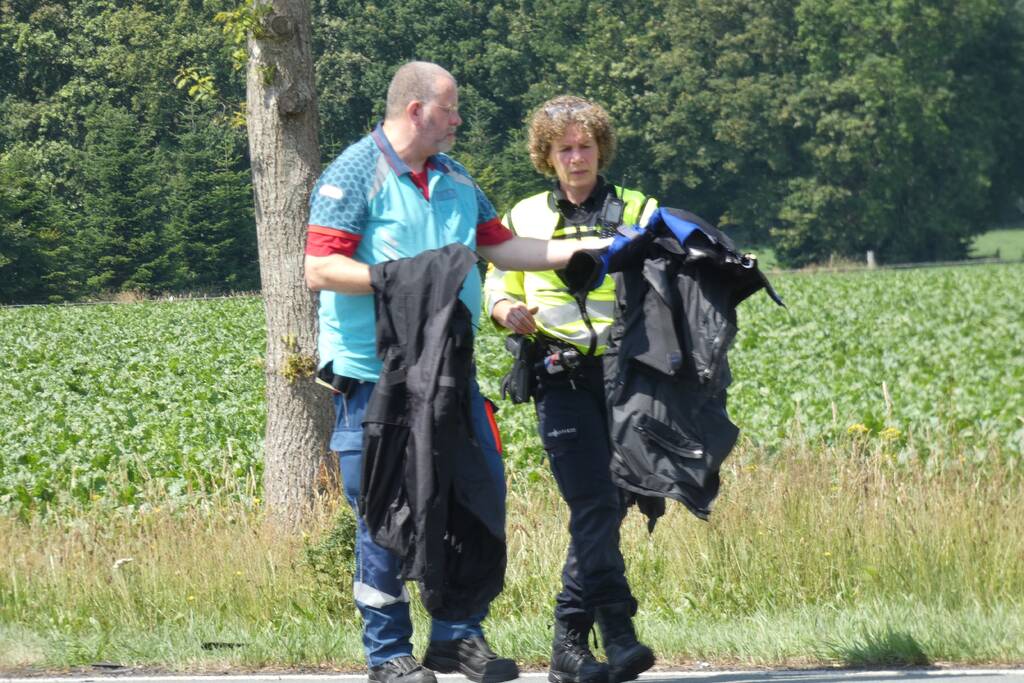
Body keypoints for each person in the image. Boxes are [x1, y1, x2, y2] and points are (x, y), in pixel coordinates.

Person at [304, 63, 608, 683]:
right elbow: (320, 269)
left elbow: (498, 245)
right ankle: (387, 652)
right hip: (378, 375)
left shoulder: (455, 176)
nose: (459, 119)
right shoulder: (355, 171)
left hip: (450, 368)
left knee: (473, 496)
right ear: (416, 110)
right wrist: (405, 279)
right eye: (451, 109)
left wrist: (586, 250)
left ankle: (457, 637)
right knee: (387, 510)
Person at [483, 95, 658, 683]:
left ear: (600, 149)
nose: (577, 158)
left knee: (613, 502)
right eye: (565, 149)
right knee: (594, 503)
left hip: (628, 375)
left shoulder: (638, 207)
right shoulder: (524, 214)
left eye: (585, 146)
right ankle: (616, 634)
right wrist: (504, 309)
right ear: (547, 156)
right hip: (559, 374)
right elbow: (496, 281)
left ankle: (571, 644)